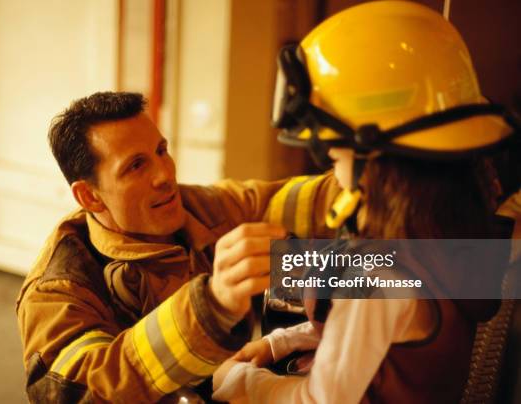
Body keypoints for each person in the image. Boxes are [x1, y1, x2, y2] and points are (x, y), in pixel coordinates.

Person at [212, 1, 520, 403]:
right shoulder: (446, 238)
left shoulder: (377, 279)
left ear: (376, 164)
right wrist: (282, 342)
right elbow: (383, 331)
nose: (333, 175)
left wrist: (236, 380)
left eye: (335, 158)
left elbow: (321, 400)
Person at [15, 91, 342, 403]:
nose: (165, 175)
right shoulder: (55, 290)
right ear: (89, 196)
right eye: (136, 166)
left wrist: (360, 166)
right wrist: (209, 307)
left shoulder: (199, 206)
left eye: (161, 150)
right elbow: (81, 392)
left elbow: (300, 201)